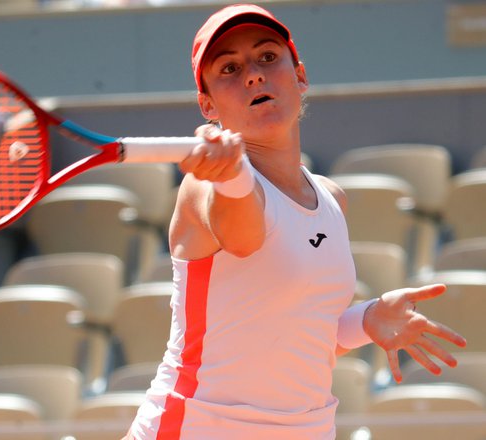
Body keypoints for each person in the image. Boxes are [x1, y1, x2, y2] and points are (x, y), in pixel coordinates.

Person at [125, 4, 467, 439]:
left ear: (300, 76)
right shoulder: (204, 188)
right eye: (229, 68)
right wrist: (230, 173)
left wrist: (366, 320)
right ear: (207, 105)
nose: (252, 75)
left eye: (267, 57)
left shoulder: (331, 200)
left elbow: (299, 331)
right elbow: (245, 237)